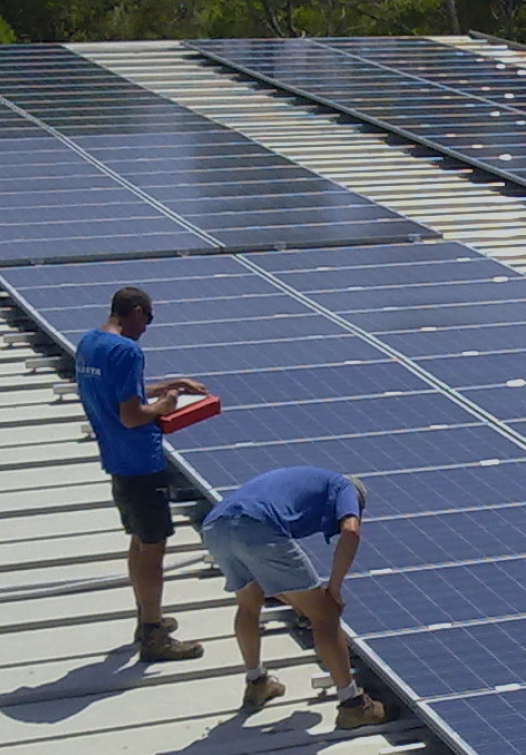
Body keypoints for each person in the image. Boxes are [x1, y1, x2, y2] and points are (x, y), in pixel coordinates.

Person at [74, 285, 208, 662]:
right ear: (134, 311)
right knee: (154, 546)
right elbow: (132, 415)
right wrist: (165, 405)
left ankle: (146, 616)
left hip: (115, 458)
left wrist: (168, 384)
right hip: (140, 460)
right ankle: (153, 635)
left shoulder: (89, 343)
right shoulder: (127, 350)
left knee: (138, 538)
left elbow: (120, 392)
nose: (147, 328)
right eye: (147, 319)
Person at [197, 466, 389, 731]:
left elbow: (271, 578)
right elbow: (351, 532)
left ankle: (257, 683)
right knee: (326, 615)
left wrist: (298, 600)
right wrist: (332, 591)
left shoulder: (305, 481)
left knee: (248, 603)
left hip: (215, 526)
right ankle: (353, 704)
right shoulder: (345, 488)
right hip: (257, 526)